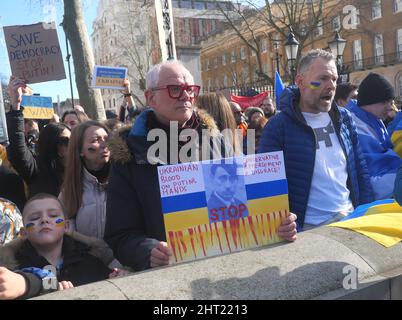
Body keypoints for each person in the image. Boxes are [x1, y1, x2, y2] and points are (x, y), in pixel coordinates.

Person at [104, 60, 298, 271]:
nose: (186, 96)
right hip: (169, 277)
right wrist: (146, 250)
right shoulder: (129, 154)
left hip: (228, 267)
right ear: (151, 97)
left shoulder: (218, 141)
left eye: (190, 90)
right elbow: (120, 235)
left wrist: (277, 222)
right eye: (175, 89)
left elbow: (245, 203)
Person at [259, 49, 374, 230]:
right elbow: (266, 187)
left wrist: (367, 214)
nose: (331, 86)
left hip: (352, 220)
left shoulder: (345, 118)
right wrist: (281, 222)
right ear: (300, 82)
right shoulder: (277, 127)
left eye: (334, 79)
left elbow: (360, 171)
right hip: (310, 231)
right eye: (322, 79)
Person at [0, 193, 126, 300]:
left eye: (53, 215)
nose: (44, 220)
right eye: (35, 218)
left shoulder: (90, 260)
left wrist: (117, 278)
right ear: (23, 233)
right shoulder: (13, 270)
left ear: (66, 226)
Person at [6, 76, 71, 197]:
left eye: (73, 139)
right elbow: (18, 148)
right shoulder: (36, 170)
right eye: (65, 141)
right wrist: (16, 105)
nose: (72, 144)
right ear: (51, 144)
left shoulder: (82, 169)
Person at [346, 73, 402, 200]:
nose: (390, 107)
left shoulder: (373, 119)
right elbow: (372, 179)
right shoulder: (356, 126)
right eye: (385, 101)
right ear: (371, 100)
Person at [59, 121, 111, 242]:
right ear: (80, 150)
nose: (105, 145)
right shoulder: (69, 191)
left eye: (107, 139)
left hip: (123, 259)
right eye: (96, 140)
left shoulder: (124, 181)